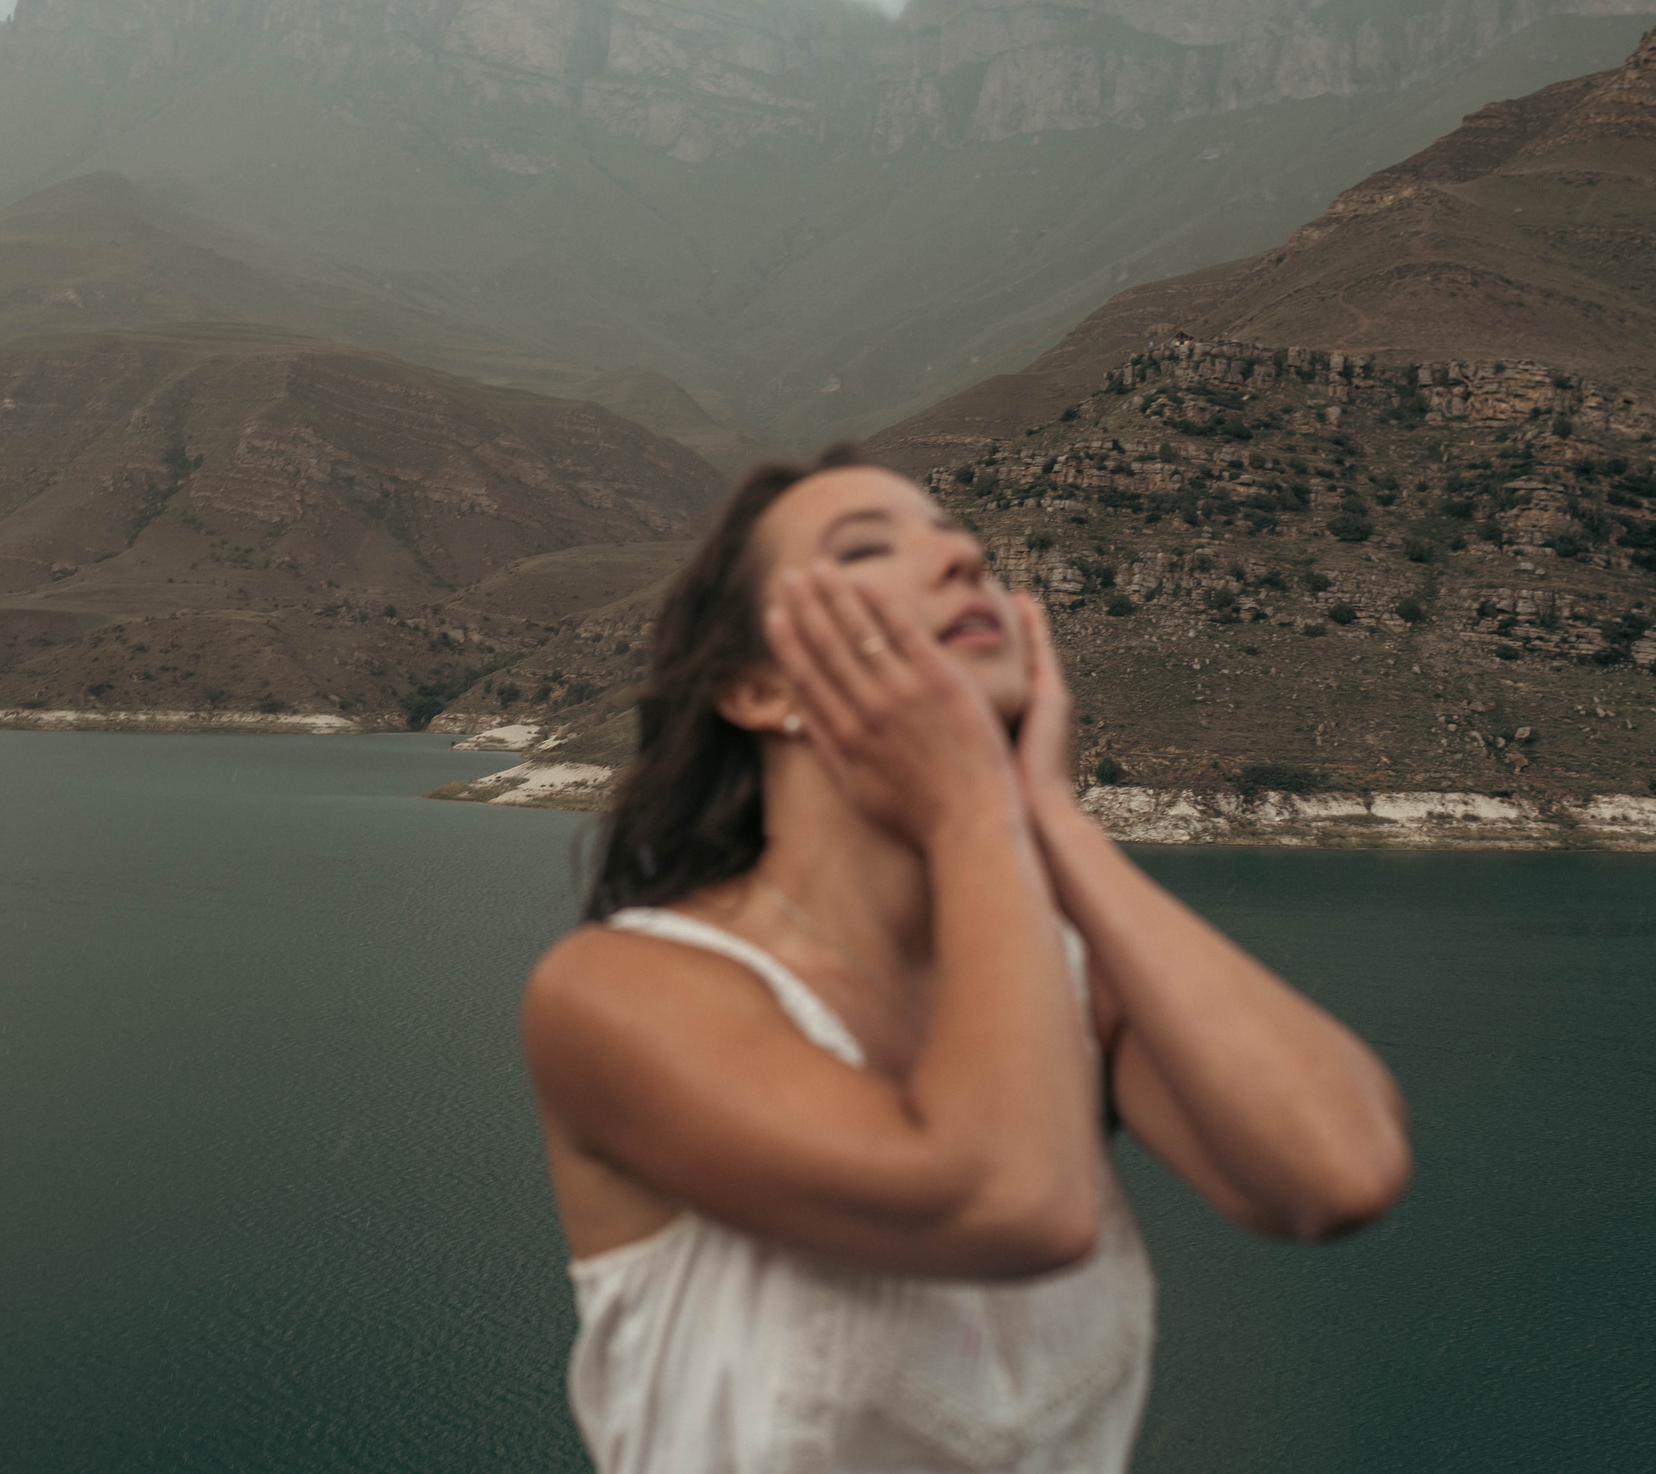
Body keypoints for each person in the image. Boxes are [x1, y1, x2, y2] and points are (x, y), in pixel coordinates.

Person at [522, 446, 1412, 1473]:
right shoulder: (615, 991)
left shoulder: (1064, 983)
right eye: (867, 548)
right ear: (759, 686)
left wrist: (1050, 817)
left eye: (965, 547)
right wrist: (976, 815)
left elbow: (1334, 1171)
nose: (962, 562)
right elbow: (1011, 1200)